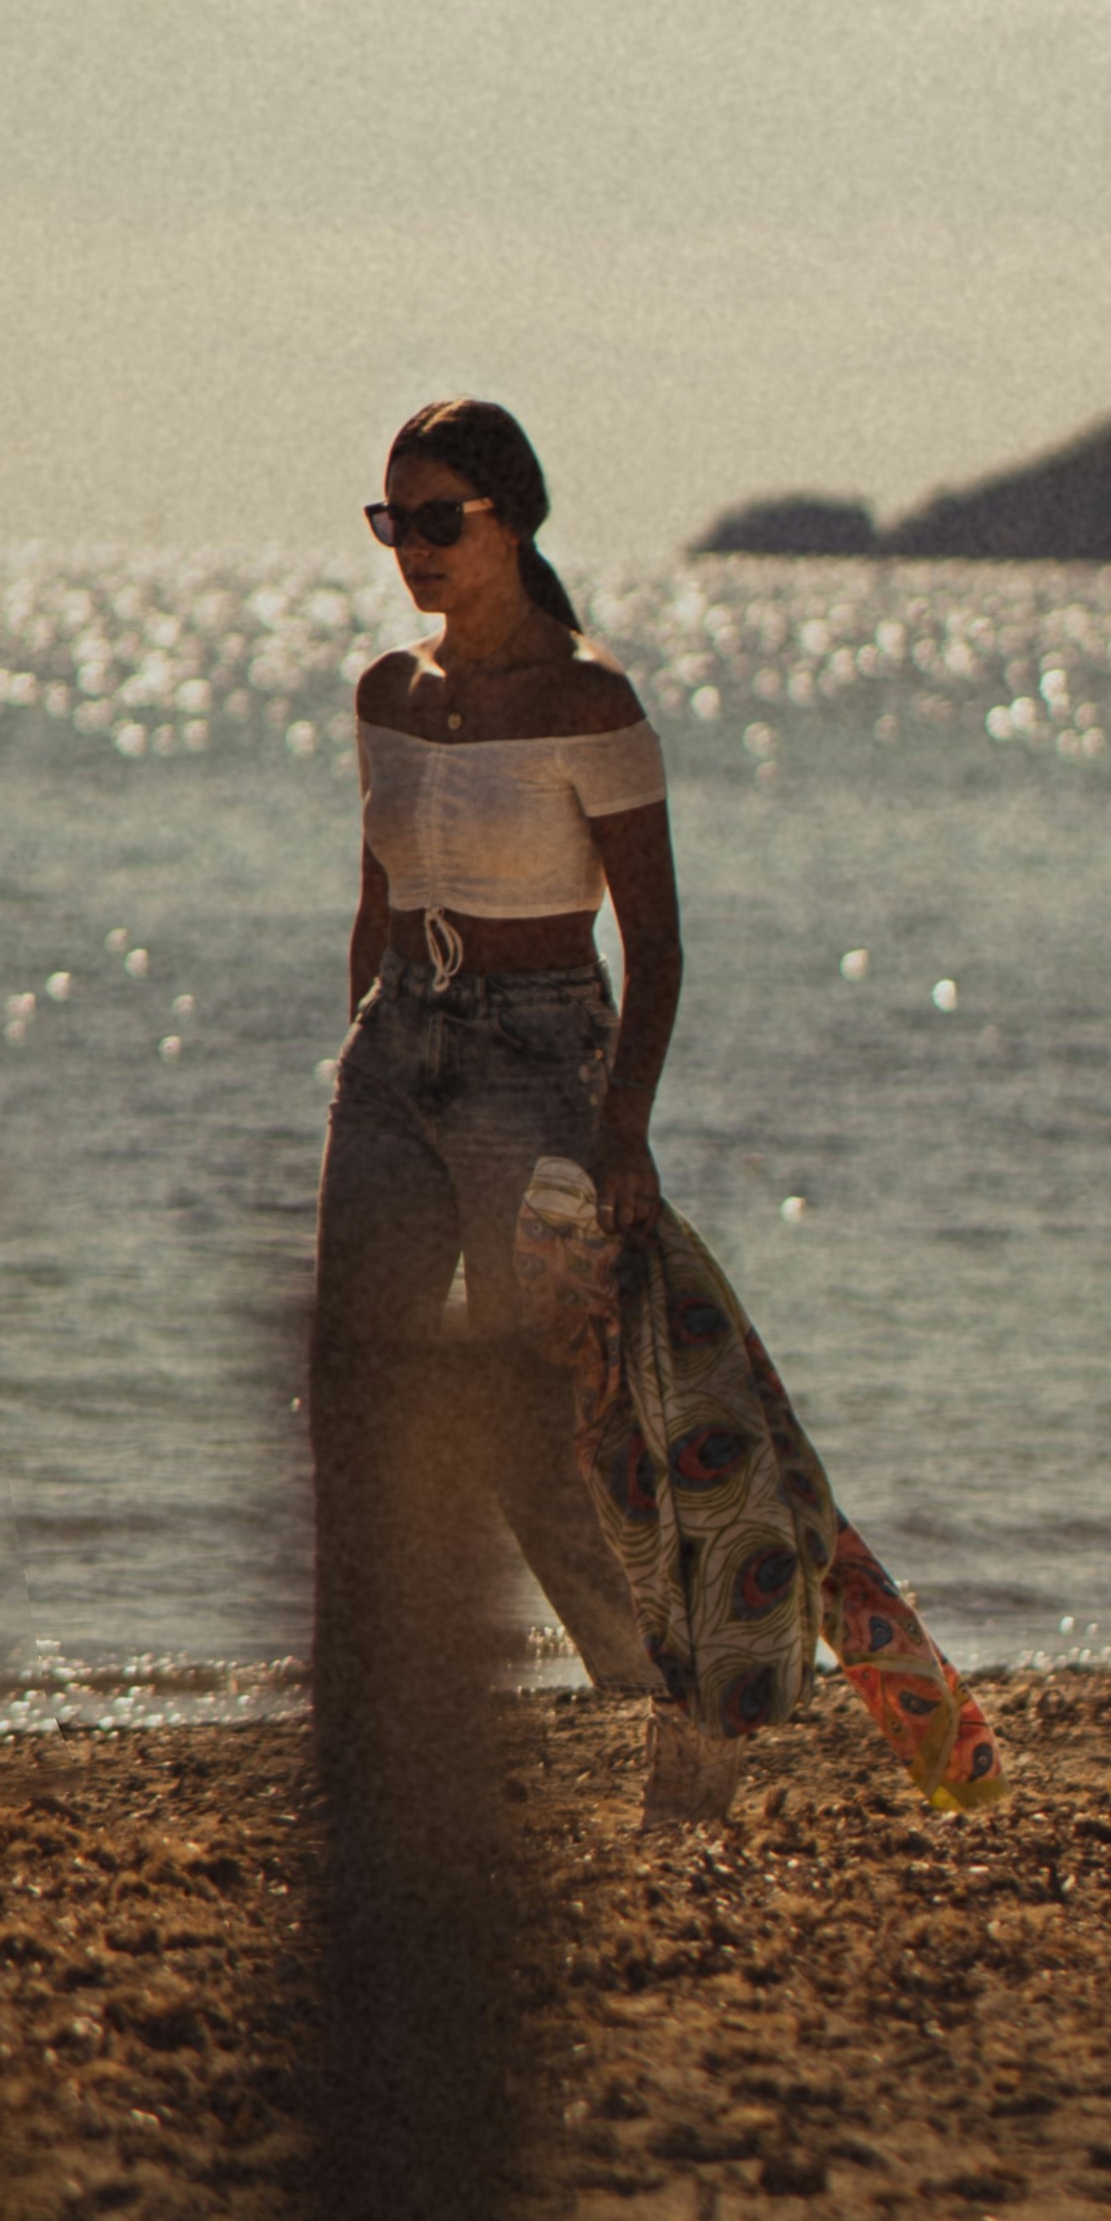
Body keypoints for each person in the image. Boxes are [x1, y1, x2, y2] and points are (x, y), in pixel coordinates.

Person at [311, 396, 675, 1692]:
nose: (411, 546)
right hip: (395, 1053)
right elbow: (377, 905)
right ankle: (375, 1695)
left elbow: (658, 944)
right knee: (354, 1383)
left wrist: (620, 1128)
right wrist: (364, 1052)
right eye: (391, 520)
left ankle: (649, 1686)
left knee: (542, 1420)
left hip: (539, 1068)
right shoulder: (388, 696)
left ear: (511, 520)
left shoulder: (587, 696)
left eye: (436, 519)